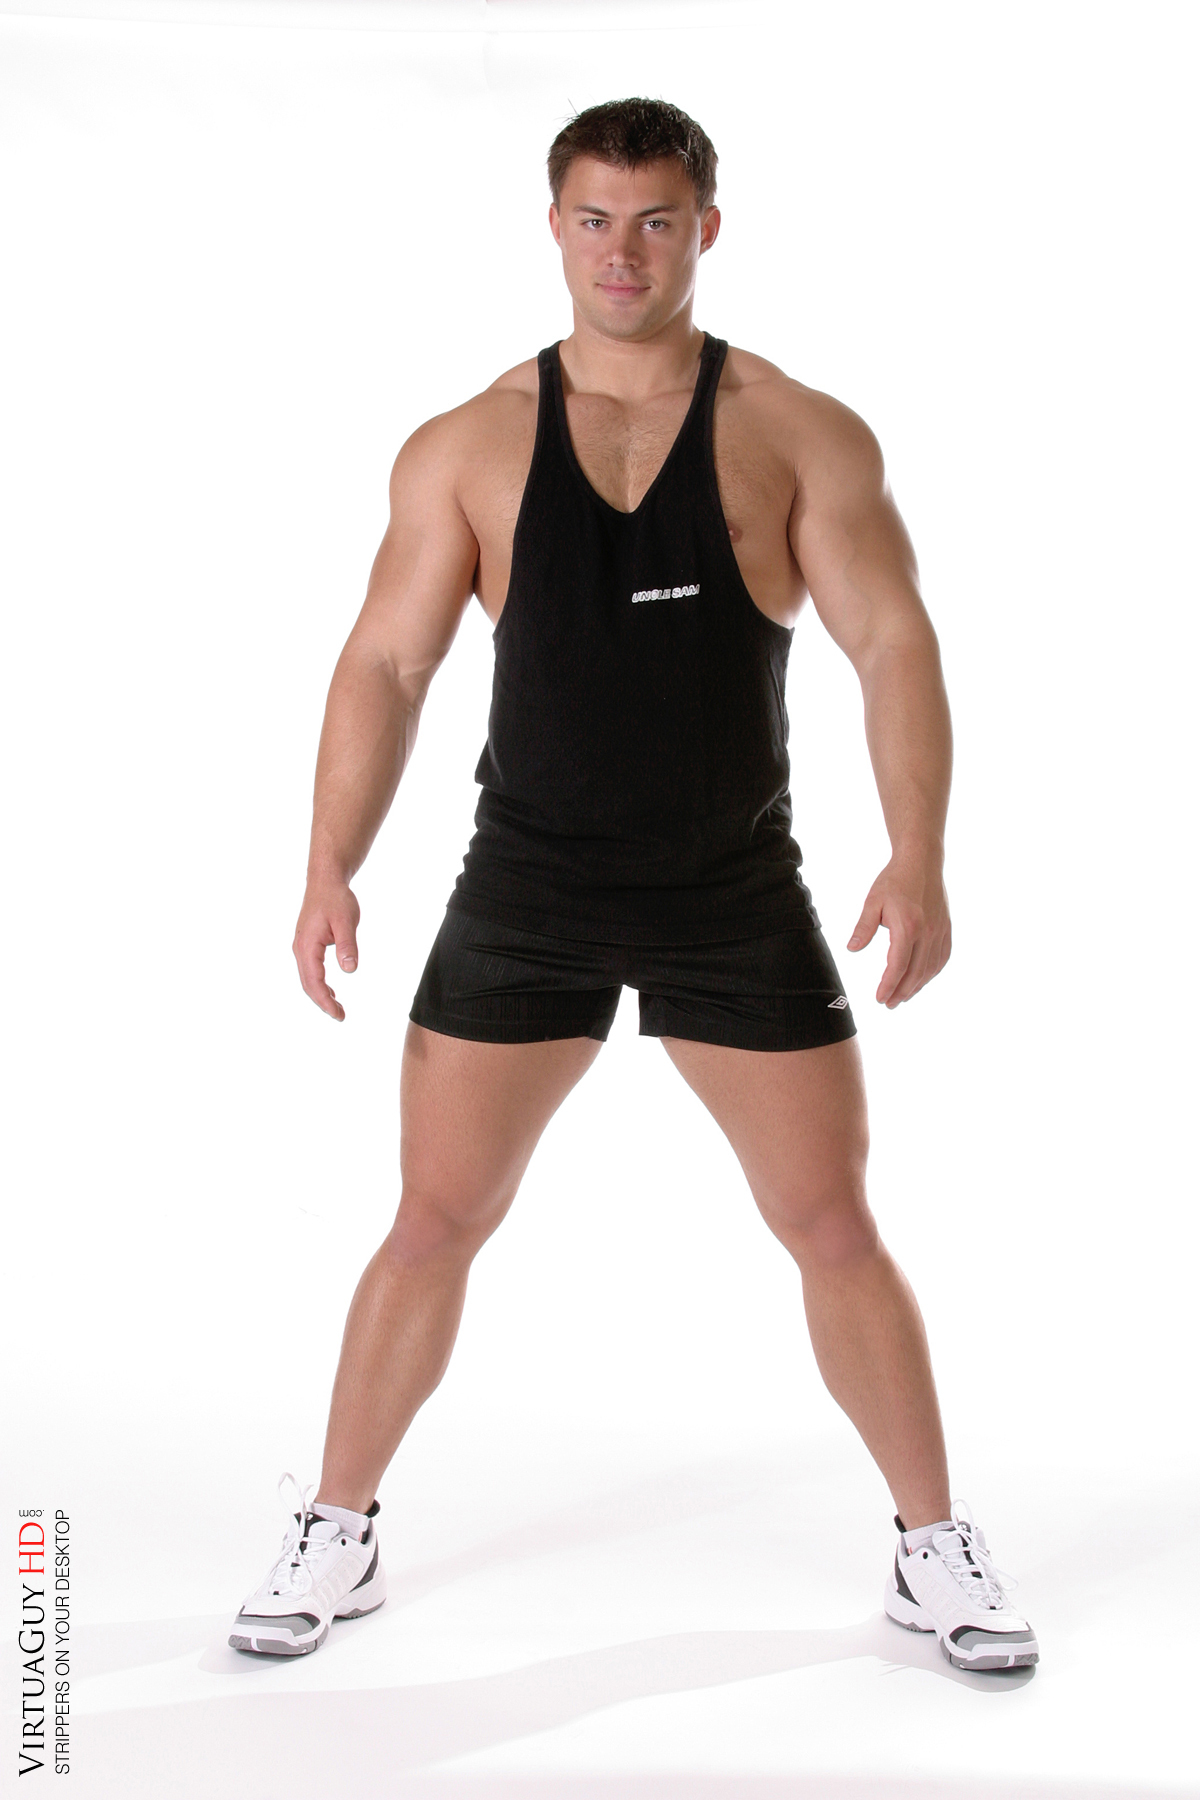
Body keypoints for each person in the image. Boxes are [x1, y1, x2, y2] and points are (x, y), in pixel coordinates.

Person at [229, 98, 1037, 1674]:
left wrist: (921, 849)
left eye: (656, 220)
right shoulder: (467, 443)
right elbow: (386, 660)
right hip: (526, 882)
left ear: (705, 229)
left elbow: (893, 642)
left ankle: (931, 1544)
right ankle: (339, 1522)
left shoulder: (797, 430)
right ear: (555, 227)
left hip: (732, 887)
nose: (623, 252)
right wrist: (329, 861)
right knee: (435, 1216)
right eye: (595, 219)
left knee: (829, 1219)